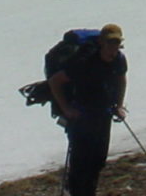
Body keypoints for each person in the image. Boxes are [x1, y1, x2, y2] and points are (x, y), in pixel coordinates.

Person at [48, 23, 128, 196]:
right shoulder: (83, 62)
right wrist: (67, 109)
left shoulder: (119, 59)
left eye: (116, 44)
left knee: (98, 161)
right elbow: (55, 82)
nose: (113, 49)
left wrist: (119, 105)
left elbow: (121, 79)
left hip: (103, 114)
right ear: (101, 42)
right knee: (81, 163)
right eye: (109, 43)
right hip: (81, 116)